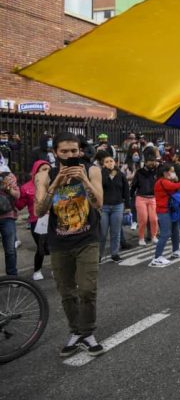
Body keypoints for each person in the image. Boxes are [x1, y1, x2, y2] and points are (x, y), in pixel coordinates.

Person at [34, 132, 105, 356]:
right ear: (55, 153)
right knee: (66, 292)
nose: (69, 155)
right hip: (60, 243)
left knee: (86, 289)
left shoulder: (92, 170)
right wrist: (55, 183)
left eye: (74, 151)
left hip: (87, 239)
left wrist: (83, 180)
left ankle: (88, 332)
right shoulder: (45, 176)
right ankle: (76, 331)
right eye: (64, 151)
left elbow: (99, 203)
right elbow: (39, 210)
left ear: (80, 151)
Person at [149, 163, 180, 267]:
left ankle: (176, 250)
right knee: (166, 233)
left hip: (171, 210)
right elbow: (175, 187)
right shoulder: (162, 182)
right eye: (171, 171)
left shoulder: (166, 181)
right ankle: (157, 258)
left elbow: (175, 187)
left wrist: (178, 180)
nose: (173, 173)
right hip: (164, 211)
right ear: (165, 172)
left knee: (175, 231)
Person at [16, 160, 51, 280]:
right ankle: (37, 270)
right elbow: (20, 205)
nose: (47, 172)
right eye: (44, 170)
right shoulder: (26, 187)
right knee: (41, 246)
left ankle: (57, 268)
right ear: (36, 172)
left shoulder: (54, 184)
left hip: (54, 219)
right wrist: (13, 193)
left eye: (48, 170)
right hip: (37, 221)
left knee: (56, 246)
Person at [98, 152, 130, 262]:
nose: (110, 163)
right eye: (107, 162)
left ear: (115, 162)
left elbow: (126, 191)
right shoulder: (101, 174)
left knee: (116, 232)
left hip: (118, 206)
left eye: (111, 161)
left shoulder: (121, 175)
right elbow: (102, 185)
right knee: (102, 232)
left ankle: (114, 253)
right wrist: (107, 173)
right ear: (103, 164)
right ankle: (98, 255)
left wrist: (128, 206)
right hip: (104, 207)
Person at [130, 155, 159, 246]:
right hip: (141, 198)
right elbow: (134, 185)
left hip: (153, 198)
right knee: (143, 219)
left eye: (153, 161)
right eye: (149, 161)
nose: (152, 163)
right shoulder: (139, 172)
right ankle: (141, 238)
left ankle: (154, 236)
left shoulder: (157, 172)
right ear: (145, 162)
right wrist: (130, 196)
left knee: (154, 219)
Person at [0, 167, 20, 276]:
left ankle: (12, 276)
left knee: (10, 250)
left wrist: (8, 188)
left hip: (7, 217)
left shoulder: (8, 175)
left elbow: (17, 195)